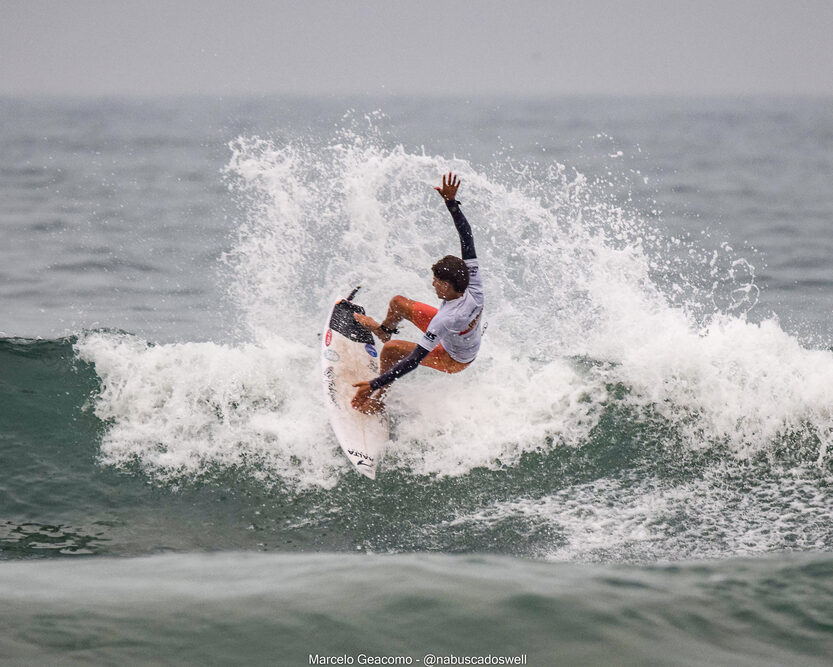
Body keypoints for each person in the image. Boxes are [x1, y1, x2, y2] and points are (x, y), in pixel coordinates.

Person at [351, 172, 484, 414]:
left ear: (446, 286)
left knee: (391, 351)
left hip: (455, 358)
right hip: (456, 334)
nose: (432, 285)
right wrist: (451, 204)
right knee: (399, 303)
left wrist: (373, 384)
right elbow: (467, 236)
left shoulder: (446, 318)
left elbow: (412, 361)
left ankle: (379, 401)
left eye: (435, 282)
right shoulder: (473, 283)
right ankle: (383, 331)